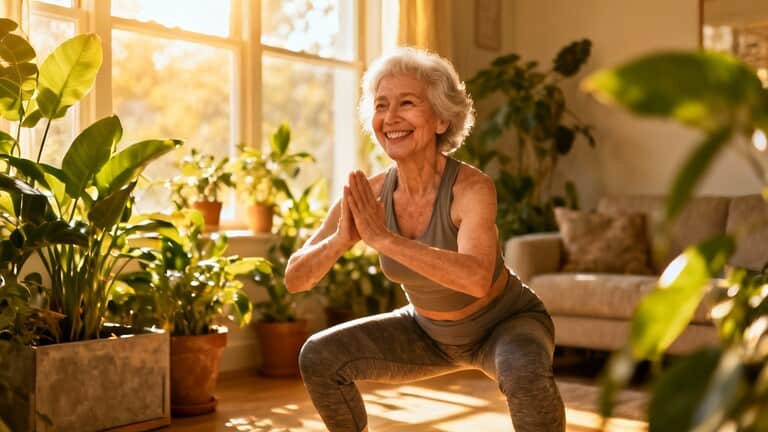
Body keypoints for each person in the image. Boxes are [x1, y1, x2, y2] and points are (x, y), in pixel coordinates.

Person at [284, 47, 565, 432]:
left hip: (506, 322)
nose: (390, 117)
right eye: (381, 105)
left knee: (522, 370)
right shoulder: (371, 193)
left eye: (407, 103)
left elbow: (477, 279)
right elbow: (294, 279)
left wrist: (384, 239)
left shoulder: (471, 188)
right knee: (319, 355)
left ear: (440, 119)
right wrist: (339, 241)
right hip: (428, 332)